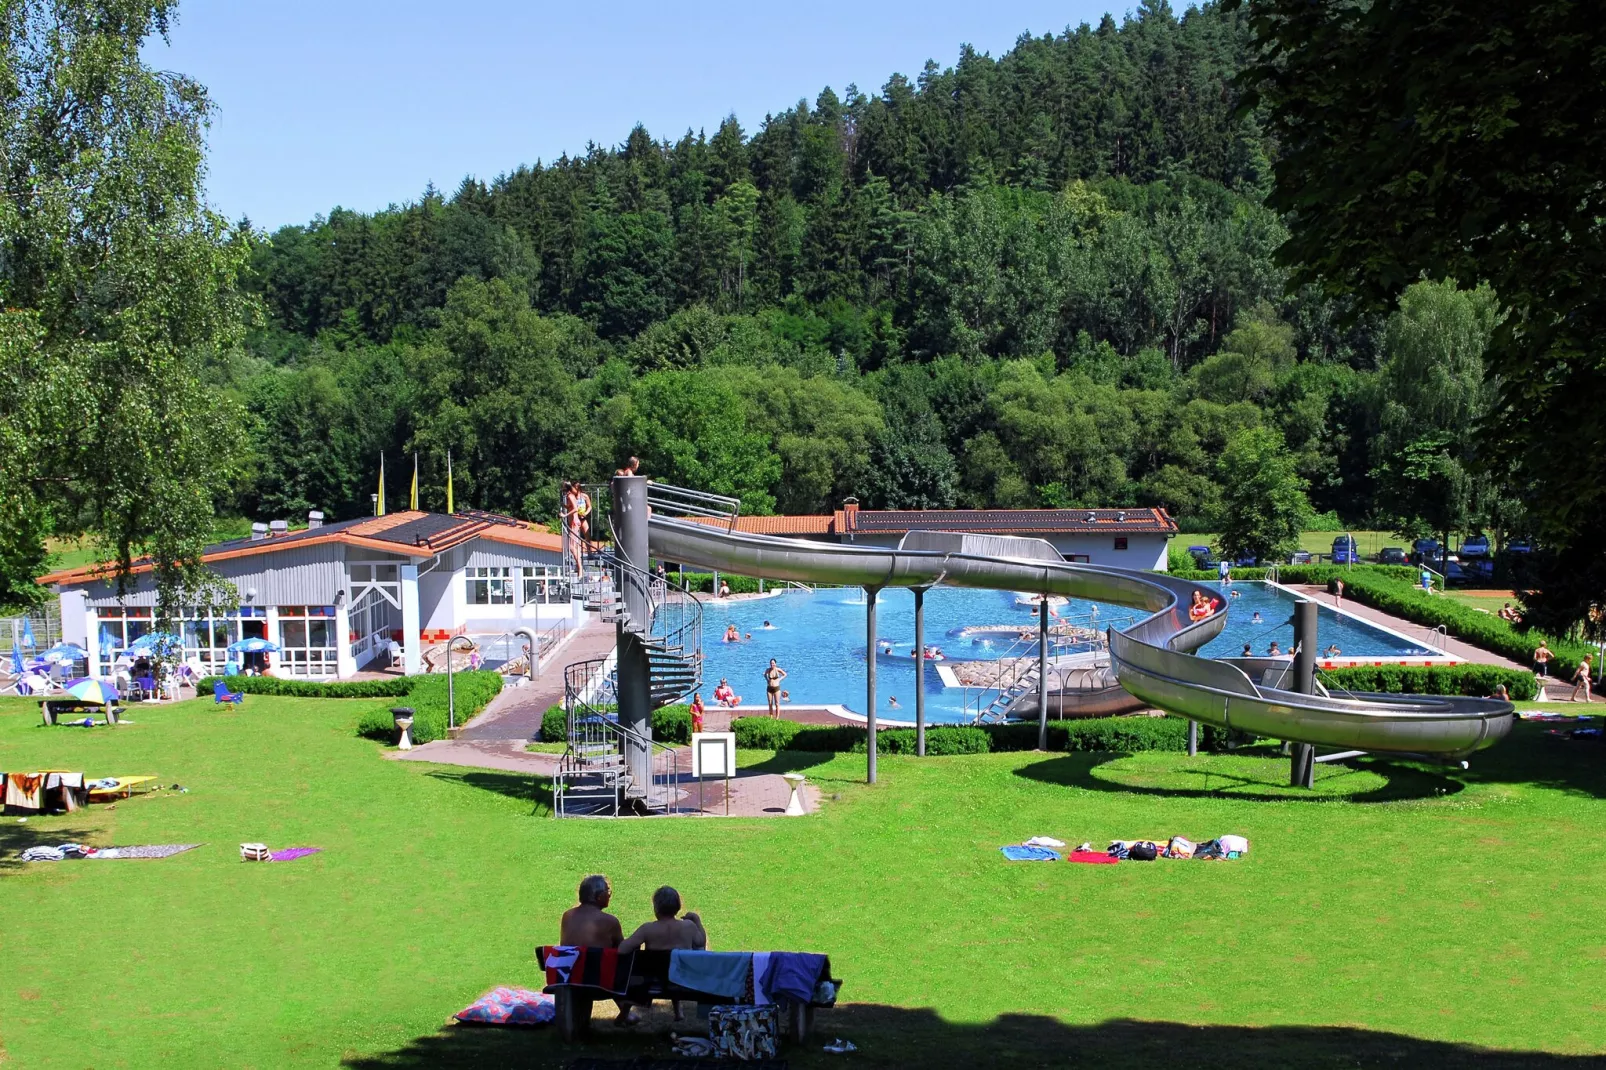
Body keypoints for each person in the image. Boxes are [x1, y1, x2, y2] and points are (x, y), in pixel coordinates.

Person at [618, 886, 706, 1022]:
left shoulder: (648, 929)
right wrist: (697, 921)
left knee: (660, 966)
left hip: (653, 979)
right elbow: (700, 942)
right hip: (681, 978)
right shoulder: (689, 926)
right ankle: (678, 1011)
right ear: (677, 906)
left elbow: (622, 949)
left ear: (656, 908)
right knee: (673, 962)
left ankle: (624, 1014)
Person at [558, 875, 636, 1026]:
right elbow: (622, 948)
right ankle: (626, 1012)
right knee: (616, 962)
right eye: (608, 891)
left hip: (570, 977)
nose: (609, 895)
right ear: (599, 896)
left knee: (592, 962)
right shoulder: (610, 921)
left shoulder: (567, 916)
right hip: (600, 984)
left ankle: (625, 1015)